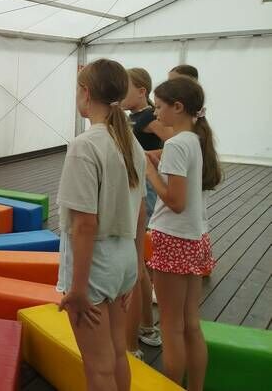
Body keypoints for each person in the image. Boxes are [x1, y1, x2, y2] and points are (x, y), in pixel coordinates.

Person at [56, 59, 145, 391]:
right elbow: (140, 213)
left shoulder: (85, 145)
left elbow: (84, 225)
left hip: (93, 268)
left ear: (86, 92)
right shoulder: (130, 142)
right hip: (123, 261)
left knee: (98, 368)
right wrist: (134, 270)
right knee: (118, 355)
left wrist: (78, 289)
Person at [145, 76, 220, 390]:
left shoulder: (176, 144)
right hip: (195, 237)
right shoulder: (194, 139)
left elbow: (175, 202)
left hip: (172, 237)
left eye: (159, 106)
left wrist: (149, 171)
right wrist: (157, 159)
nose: (155, 112)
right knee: (190, 325)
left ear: (178, 107)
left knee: (171, 326)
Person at [121, 67, 172, 357]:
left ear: (142, 91)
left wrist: (146, 157)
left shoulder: (149, 116)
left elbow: (174, 143)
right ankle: (145, 325)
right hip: (137, 186)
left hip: (146, 189)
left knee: (136, 257)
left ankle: (144, 327)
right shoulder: (133, 116)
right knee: (137, 258)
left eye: (125, 88)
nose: (121, 94)